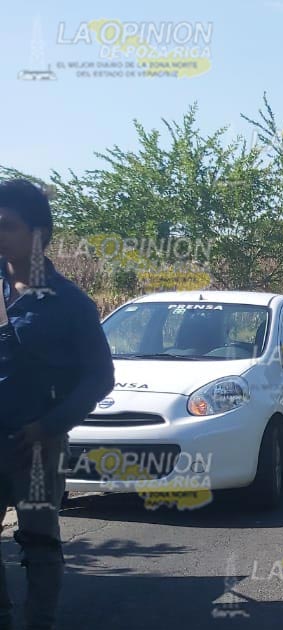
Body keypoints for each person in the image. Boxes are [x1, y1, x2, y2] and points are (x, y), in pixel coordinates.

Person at [0, 179, 115, 630]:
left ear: (39, 234)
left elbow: (100, 378)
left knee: (39, 542)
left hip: (35, 445)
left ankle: (38, 623)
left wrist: (49, 427)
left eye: (6, 226)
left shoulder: (70, 303)